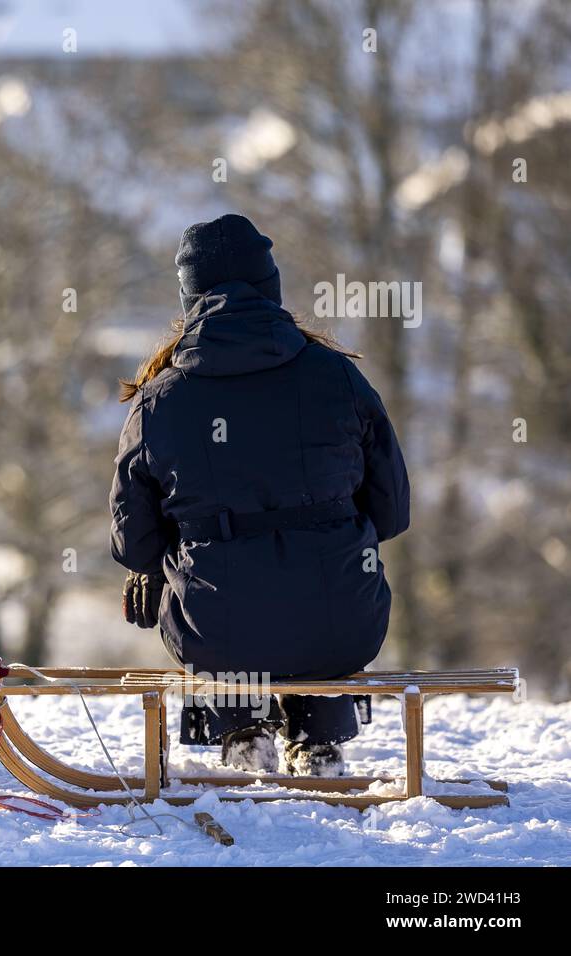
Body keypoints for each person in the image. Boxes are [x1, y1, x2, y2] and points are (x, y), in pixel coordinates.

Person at [110, 214, 410, 777]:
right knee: (317, 578)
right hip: (344, 625)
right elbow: (392, 510)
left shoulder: (160, 399)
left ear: (189, 297)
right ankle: (318, 739)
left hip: (216, 635)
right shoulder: (337, 377)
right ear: (270, 286)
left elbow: (134, 542)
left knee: (219, 590)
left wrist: (156, 567)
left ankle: (242, 730)